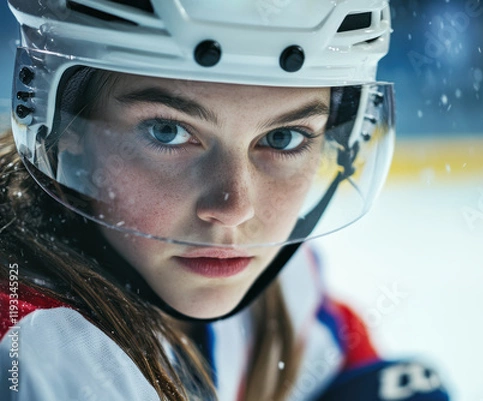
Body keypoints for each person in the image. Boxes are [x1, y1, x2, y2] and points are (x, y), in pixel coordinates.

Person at [0, 1, 450, 400]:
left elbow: (332, 345)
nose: (235, 209)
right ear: (66, 128)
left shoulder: (276, 282)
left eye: (282, 137)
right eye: (167, 131)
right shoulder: (32, 358)